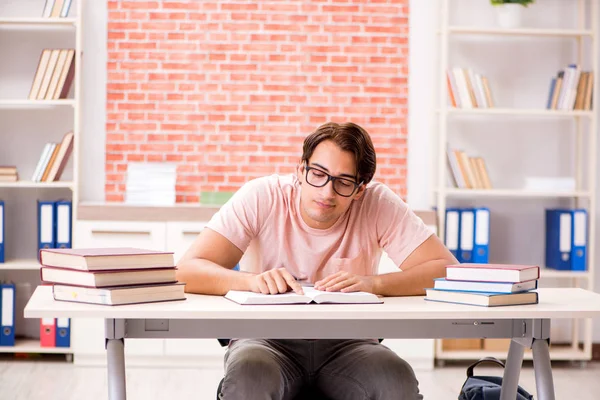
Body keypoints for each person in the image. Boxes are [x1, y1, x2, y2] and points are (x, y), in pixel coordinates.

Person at [176, 122, 458, 400]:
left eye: (344, 182)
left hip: (349, 343)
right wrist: (251, 281)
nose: (327, 192)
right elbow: (186, 270)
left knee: (396, 380)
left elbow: (448, 271)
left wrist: (375, 283)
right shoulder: (262, 196)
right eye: (318, 174)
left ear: (360, 189)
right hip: (266, 338)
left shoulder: (378, 204)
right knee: (250, 379)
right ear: (301, 170)